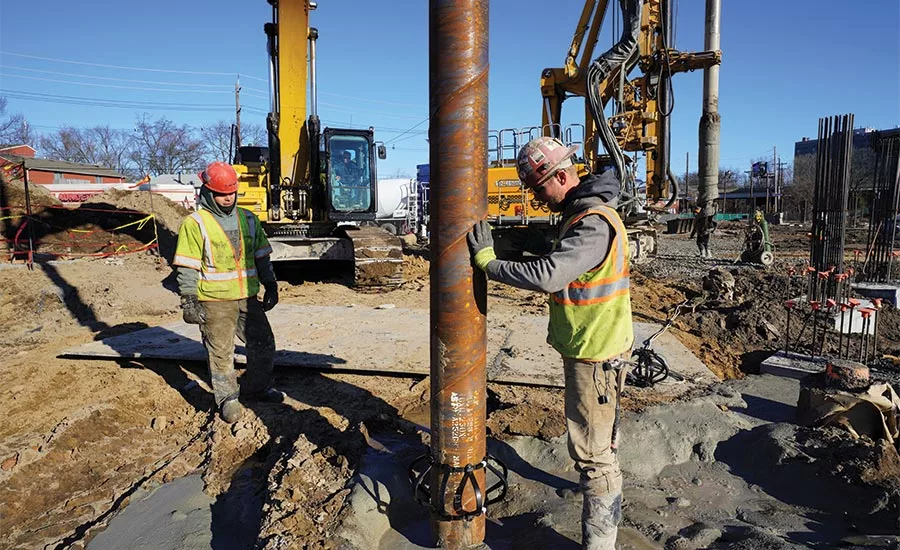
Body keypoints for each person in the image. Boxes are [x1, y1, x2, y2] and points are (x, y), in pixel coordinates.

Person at [467, 137, 633, 550]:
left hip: (595, 353)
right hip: (595, 346)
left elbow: (549, 275)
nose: (539, 199)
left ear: (562, 175)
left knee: (594, 457)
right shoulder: (580, 215)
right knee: (601, 442)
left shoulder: (593, 222)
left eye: (540, 189)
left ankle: (599, 543)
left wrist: (489, 263)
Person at [173, 161, 283, 424]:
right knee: (220, 351)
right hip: (214, 301)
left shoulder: (249, 219)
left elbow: (261, 256)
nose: (228, 198)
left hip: (247, 297)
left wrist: (271, 283)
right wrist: (189, 300)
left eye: (231, 193)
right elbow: (187, 265)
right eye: (222, 194)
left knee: (263, 343)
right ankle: (228, 398)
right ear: (208, 193)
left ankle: (258, 387)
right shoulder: (195, 223)